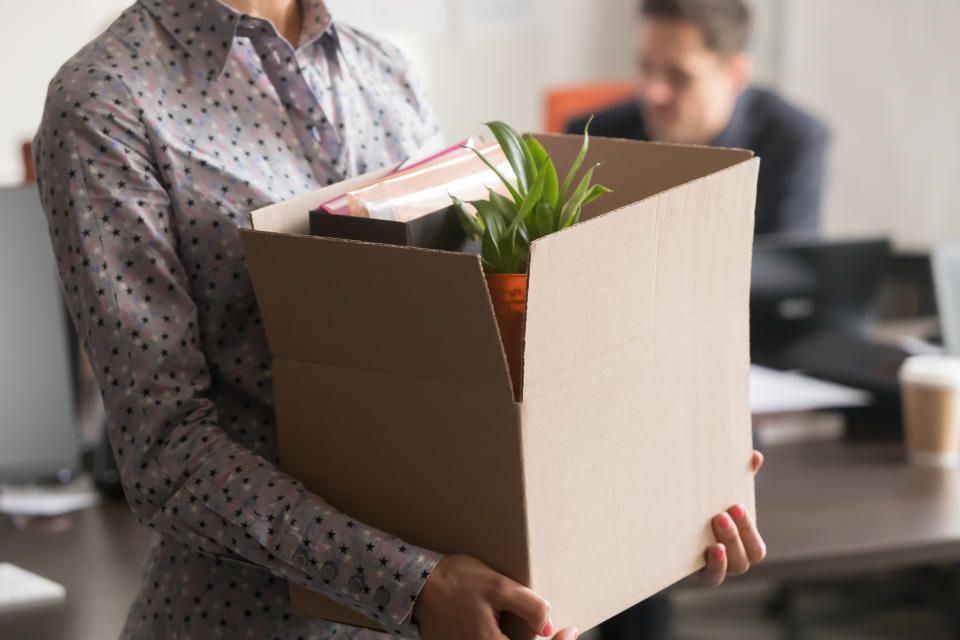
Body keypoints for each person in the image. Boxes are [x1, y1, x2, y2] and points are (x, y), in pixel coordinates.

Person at [33, 1, 766, 638]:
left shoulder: (384, 72)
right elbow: (167, 454)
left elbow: (466, 374)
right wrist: (414, 585)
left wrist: (658, 508)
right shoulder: (106, 101)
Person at [568, 0, 830, 236]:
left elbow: (789, 278)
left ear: (737, 74)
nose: (652, 93)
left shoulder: (793, 141)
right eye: (645, 66)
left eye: (679, 76)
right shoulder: (592, 139)